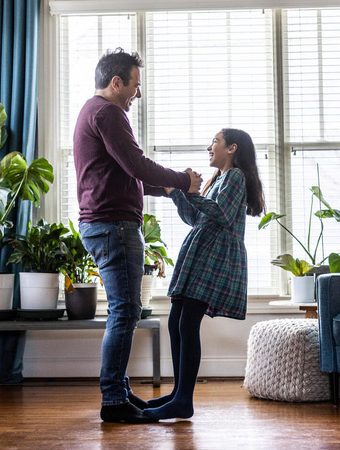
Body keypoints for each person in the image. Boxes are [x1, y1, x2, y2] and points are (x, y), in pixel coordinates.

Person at [73, 48, 202, 424]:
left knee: (123, 310)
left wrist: (167, 190)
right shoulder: (108, 112)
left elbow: (123, 175)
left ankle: (120, 391)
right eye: (135, 86)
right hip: (113, 226)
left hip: (104, 224)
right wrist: (183, 180)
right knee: (125, 311)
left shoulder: (91, 111)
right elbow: (135, 163)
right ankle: (113, 400)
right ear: (117, 83)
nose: (138, 95)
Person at [144, 128, 265, 420]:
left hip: (215, 256)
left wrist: (186, 190)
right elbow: (195, 218)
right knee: (176, 322)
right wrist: (178, 195)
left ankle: (183, 400)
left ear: (232, 148)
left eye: (215, 141)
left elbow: (221, 214)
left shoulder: (235, 177)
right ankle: (177, 394)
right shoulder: (217, 180)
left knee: (186, 324)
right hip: (201, 253)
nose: (209, 146)